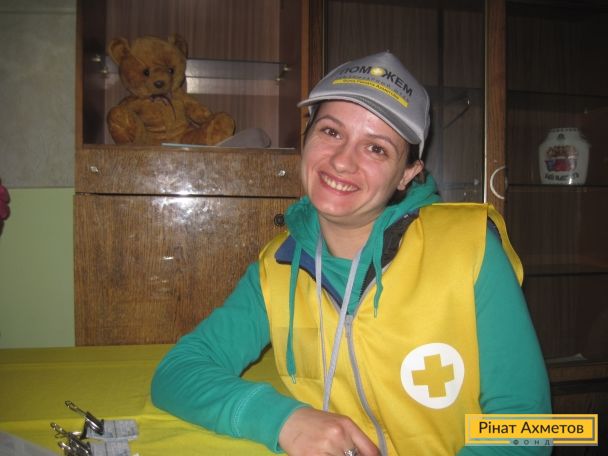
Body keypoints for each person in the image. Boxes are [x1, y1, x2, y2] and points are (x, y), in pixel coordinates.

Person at [151, 52, 551, 455]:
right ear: (305, 139)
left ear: (408, 174)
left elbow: (531, 429)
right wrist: (282, 418)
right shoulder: (278, 266)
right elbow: (177, 372)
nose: (342, 161)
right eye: (331, 131)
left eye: (376, 148)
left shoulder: (472, 247)